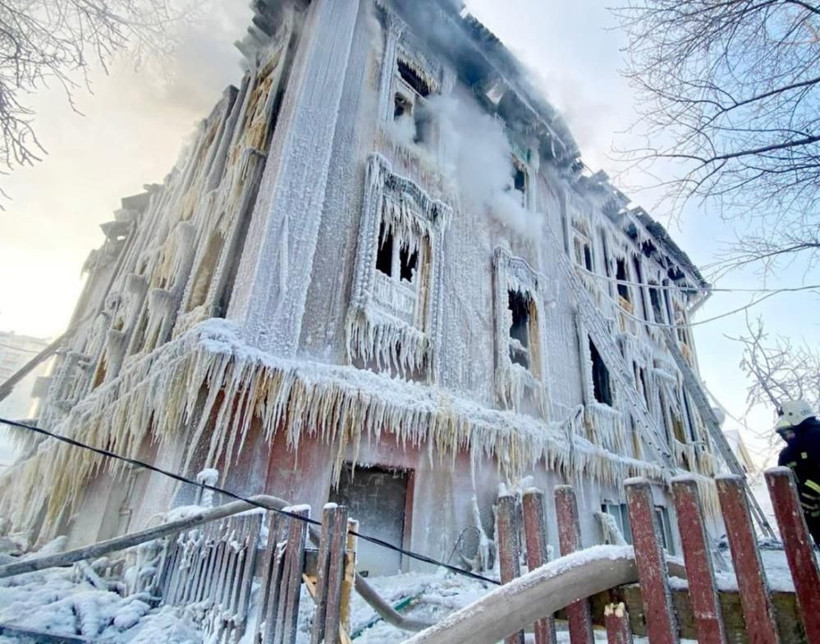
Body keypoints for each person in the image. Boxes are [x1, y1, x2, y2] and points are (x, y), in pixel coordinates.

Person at [776, 399, 820, 545]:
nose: (787, 437)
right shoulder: (787, 455)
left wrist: (809, 493)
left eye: (789, 432)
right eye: (784, 434)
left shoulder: (814, 435)